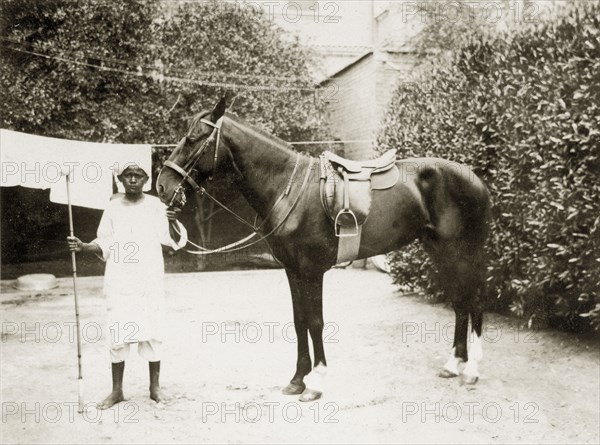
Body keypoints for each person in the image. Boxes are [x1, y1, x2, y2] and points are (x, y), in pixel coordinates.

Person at [67, 164, 188, 409]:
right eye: (128, 176)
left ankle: (155, 388)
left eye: (138, 176)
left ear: (146, 180)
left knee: (153, 329)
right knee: (118, 332)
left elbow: (170, 241)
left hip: (149, 277)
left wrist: (174, 222)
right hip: (120, 278)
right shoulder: (112, 207)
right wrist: (84, 247)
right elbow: (105, 241)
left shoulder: (157, 206)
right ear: (121, 180)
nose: (133, 180)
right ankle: (117, 390)